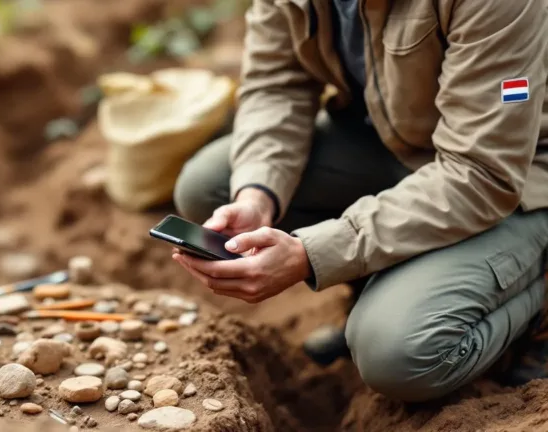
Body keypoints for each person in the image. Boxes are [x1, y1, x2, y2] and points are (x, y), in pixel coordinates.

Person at [171, 0, 548, 402]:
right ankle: (383, 289)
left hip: (513, 174)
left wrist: (312, 253)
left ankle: (537, 295)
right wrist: (258, 195)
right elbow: (276, 85)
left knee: (399, 355)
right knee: (209, 186)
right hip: (393, 143)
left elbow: (480, 172)